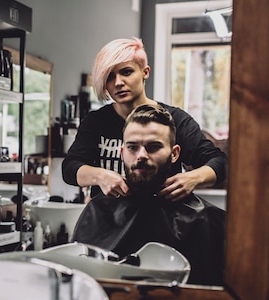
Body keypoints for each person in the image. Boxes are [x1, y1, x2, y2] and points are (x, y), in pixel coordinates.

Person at [72, 103, 225, 286]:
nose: (141, 155)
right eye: (132, 147)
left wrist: (194, 177)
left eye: (153, 147)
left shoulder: (204, 219)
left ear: (175, 153)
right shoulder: (99, 211)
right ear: (122, 153)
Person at [62, 37, 227, 202]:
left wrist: (192, 178)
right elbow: (70, 168)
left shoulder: (175, 120)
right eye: (110, 77)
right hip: (109, 223)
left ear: (145, 72)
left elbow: (219, 163)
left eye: (126, 72)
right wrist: (100, 176)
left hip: (165, 222)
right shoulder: (96, 122)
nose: (118, 83)